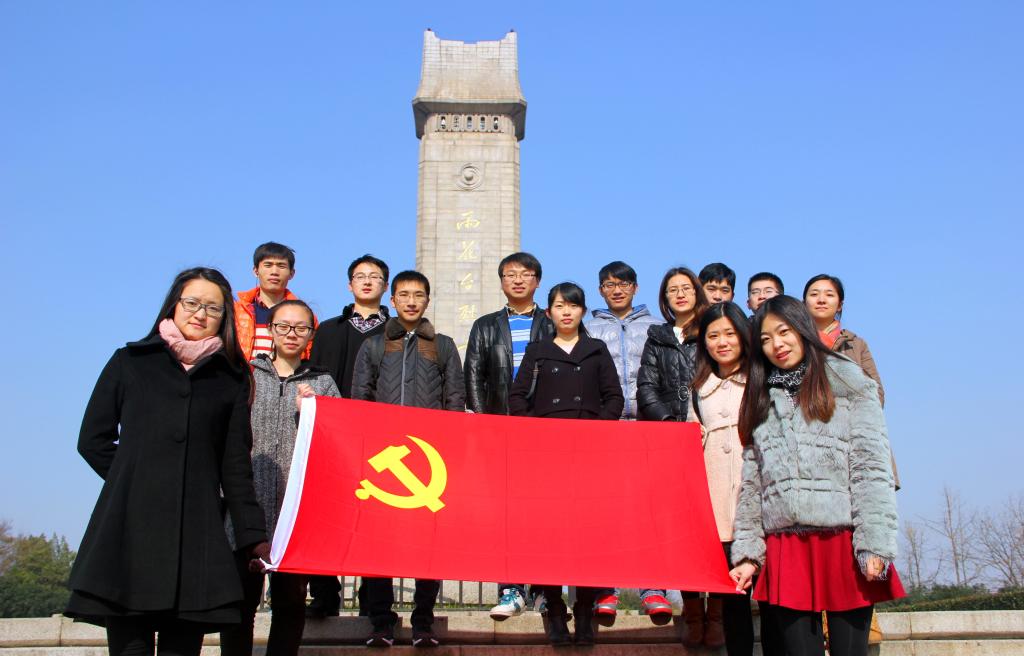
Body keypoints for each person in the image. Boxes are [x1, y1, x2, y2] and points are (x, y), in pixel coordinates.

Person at [67, 267, 268, 656]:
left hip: (196, 534)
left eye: (213, 307)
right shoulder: (130, 361)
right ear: (174, 305)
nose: (200, 314)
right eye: (192, 303)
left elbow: (235, 467)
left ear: (225, 317)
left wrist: (252, 536)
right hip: (129, 530)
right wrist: (136, 481)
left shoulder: (231, 378)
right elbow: (93, 440)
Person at [730, 296, 904, 656]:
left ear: (803, 329)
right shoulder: (761, 395)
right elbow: (752, 484)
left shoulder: (849, 383)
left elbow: (871, 468)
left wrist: (874, 542)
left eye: (784, 332)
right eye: (765, 339)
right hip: (786, 545)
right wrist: (748, 553)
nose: (777, 345)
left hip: (843, 540)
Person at [351, 270, 466, 648]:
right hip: (384, 458)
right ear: (393, 300)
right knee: (378, 544)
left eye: (418, 295)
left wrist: (449, 449)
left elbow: (455, 399)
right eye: (404, 295)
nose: (411, 301)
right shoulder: (374, 345)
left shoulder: (443, 346)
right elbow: (360, 399)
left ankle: (423, 622)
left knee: (428, 545)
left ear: (427, 301)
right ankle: (381, 621)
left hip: (429, 459)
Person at [220, 300, 340, 656]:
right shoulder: (246, 377)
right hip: (246, 505)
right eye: (284, 326)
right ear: (270, 330)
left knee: (290, 604)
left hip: (296, 509)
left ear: (311, 335)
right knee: (240, 605)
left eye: (301, 328)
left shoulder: (322, 382)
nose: (292, 334)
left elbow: (336, 444)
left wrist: (312, 413)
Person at [508, 282, 624, 646]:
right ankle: (555, 608)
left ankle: (585, 609)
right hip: (548, 454)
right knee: (549, 534)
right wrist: (538, 433)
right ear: (549, 313)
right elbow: (517, 397)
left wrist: (596, 431)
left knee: (587, 533)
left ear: (582, 311)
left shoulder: (596, 349)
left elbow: (614, 397)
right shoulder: (538, 351)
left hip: (589, 452)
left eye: (573, 306)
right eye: (560, 306)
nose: (567, 312)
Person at [803, 274, 896, 645]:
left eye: (829, 294)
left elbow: (876, 392)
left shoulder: (855, 343)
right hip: (812, 451)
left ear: (839, 303)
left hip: (853, 445)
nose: (821, 299)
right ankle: (825, 618)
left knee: (865, 529)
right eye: (814, 293)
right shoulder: (796, 342)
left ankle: (864, 613)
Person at [463, 252, 554, 621]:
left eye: (526, 274)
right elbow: (473, 375)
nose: (518, 280)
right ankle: (511, 588)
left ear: (537, 281)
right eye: (510, 274)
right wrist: (485, 423)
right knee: (506, 512)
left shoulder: (552, 323)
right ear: (501, 281)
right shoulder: (486, 326)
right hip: (501, 429)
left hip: (545, 430)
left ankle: (546, 590)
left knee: (546, 510)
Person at [686, 302, 781, 654]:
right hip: (718, 509)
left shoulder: (764, 380)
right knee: (733, 601)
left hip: (762, 504)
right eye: (713, 336)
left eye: (729, 333)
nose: (722, 342)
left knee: (772, 601)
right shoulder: (698, 389)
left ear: (743, 336)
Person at [307, 254, 391, 617]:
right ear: (349, 284)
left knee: (376, 519)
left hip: (381, 437)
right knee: (325, 514)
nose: (367, 281)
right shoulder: (328, 330)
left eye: (375, 277)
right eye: (360, 276)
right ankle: (324, 595)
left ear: (385, 286)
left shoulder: (396, 331)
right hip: (333, 434)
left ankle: (374, 598)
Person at [634, 266, 710, 638]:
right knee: (677, 523)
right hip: (670, 439)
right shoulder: (658, 336)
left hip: (710, 435)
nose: (680, 294)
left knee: (712, 525)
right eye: (672, 290)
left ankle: (718, 612)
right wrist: (668, 422)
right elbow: (645, 386)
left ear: (697, 292)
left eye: (685, 288)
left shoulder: (712, 330)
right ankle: (691, 610)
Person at [583, 261, 659, 625]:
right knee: (603, 512)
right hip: (605, 427)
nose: (617, 290)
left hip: (648, 426)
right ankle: (605, 589)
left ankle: (653, 587)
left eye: (624, 284)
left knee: (649, 510)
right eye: (610, 285)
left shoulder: (656, 327)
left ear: (635, 287)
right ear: (600, 290)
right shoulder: (587, 328)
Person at [235, 242, 316, 363]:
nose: (274, 272)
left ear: (292, 273)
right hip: (243, 374)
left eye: (281, 266)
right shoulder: (237, 311)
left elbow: (311, 354)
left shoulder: (304, 315)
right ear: (256, 271)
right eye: (268, 265)